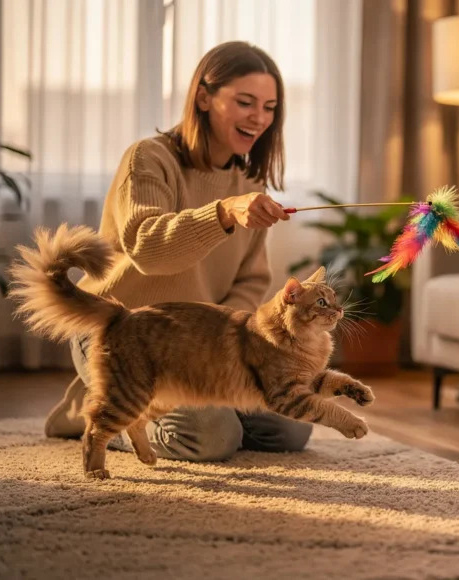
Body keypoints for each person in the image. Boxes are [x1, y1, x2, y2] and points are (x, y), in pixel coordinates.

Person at [44, 41, 313, 462]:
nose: (258, 118)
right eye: (245, 102)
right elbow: (148, 249)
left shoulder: (250, 187)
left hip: (197, 346)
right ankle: (97, 416)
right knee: (210, 438)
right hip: (119, 332)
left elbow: (251, 281)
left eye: (269, 106)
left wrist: (230, 353)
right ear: (204, 97)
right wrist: (222, 213)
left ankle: (134, 401)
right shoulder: (148, 159)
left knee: (291, 427)